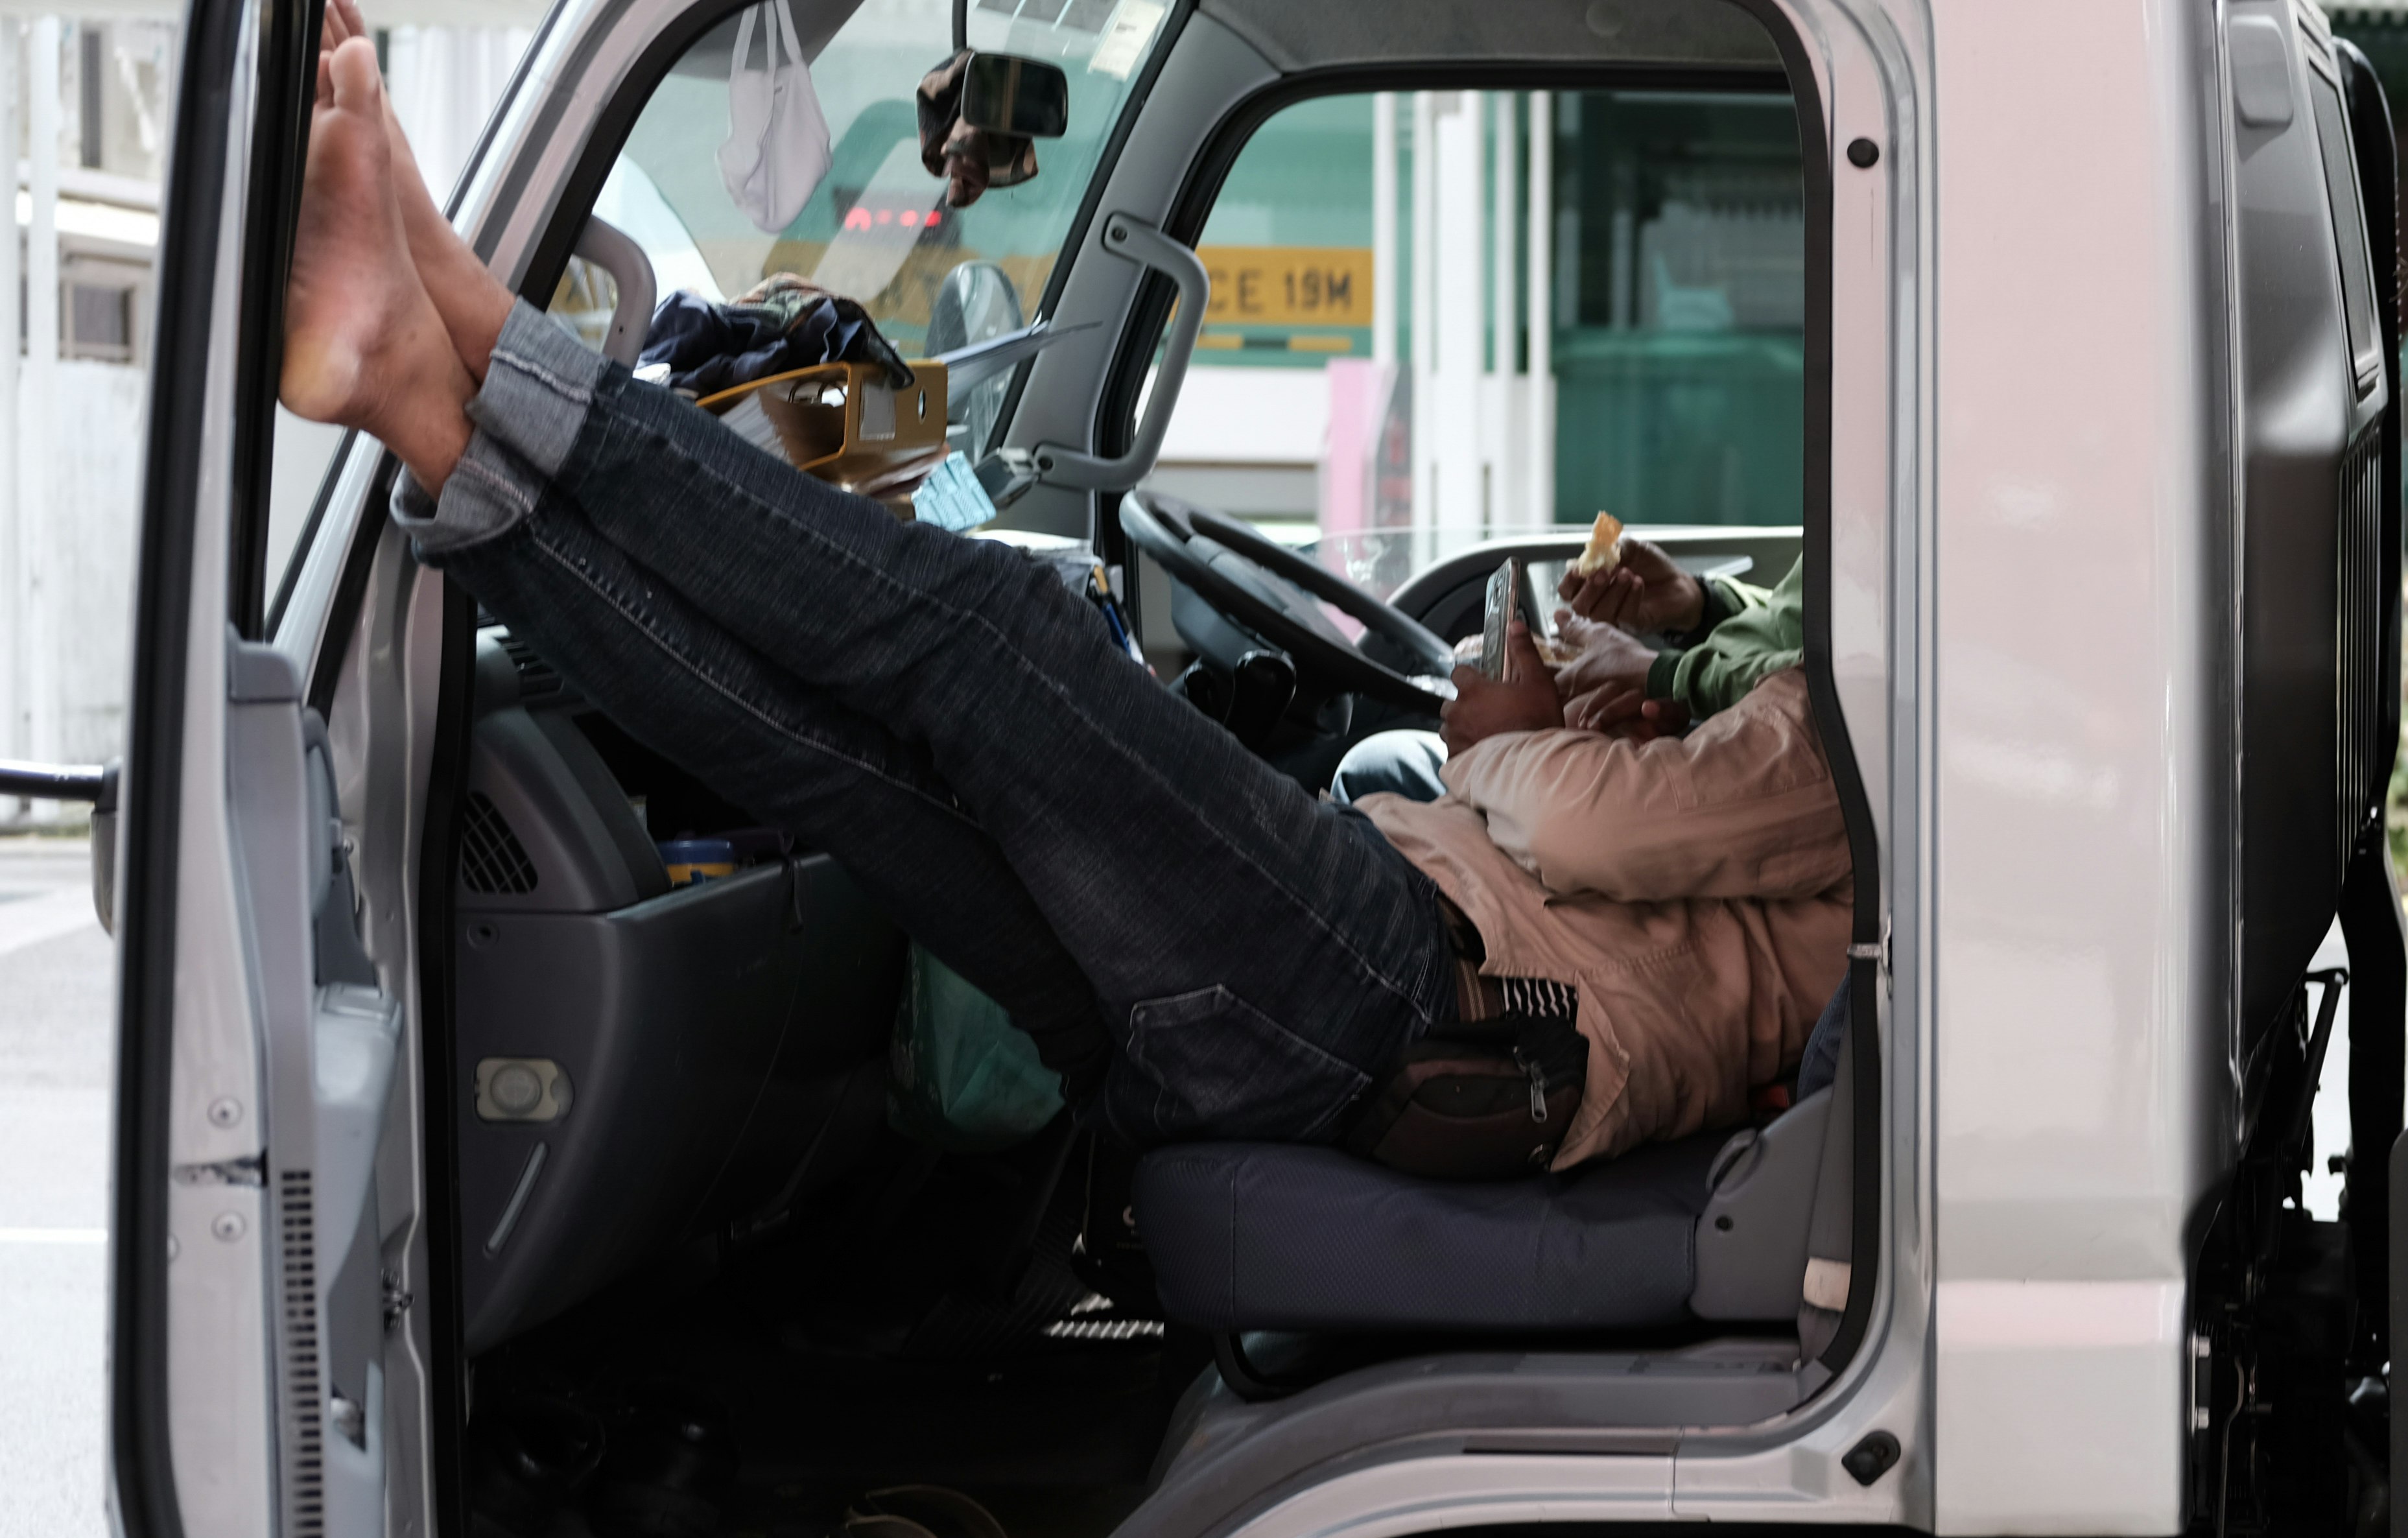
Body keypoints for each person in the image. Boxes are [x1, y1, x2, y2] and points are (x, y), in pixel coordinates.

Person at [276, 13, 1847, 1172]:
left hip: (1417, 1003)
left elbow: (1580, 830)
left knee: (998, 637)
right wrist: (1675, 656)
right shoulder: (1827, 684)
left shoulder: (1881, 723)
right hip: (1383, 998)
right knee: (838, 763)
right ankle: (426, 395)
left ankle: (472, 322)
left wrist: (1501, 737)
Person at [1328, 534, 1805, 804]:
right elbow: (1795, 622)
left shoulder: (1871, 484)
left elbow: (1829, 678)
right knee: (1383, 766)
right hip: (1724, 720)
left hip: (1756, 751)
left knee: (1374, 775)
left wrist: (1663, 674)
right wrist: (1700, 605)